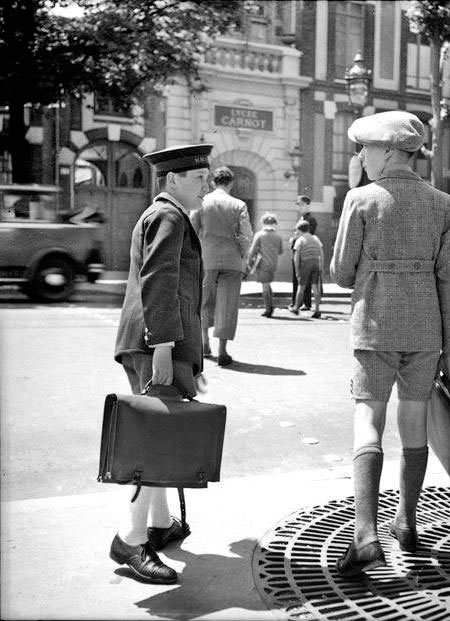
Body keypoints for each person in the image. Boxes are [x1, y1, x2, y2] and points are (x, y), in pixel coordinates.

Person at [330, 111, 450, 577]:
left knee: (368, 421)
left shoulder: (361, 200)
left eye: (364, 149)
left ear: (387, 151)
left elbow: (342, 272)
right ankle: (406, 524)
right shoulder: (443, 204)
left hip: (375, 328)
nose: (360, 157)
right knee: (414, 426)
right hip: (427, 333)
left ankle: (365, 534)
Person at [111, 143, 213, 584]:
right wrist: (166, 347)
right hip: (155, 342)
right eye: (198, 179)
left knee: (161, 434)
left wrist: (190, 353)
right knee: (157, 444)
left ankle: (158, 525)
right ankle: (130, 540)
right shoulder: (169, 216)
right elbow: (160, 283)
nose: (206, 185)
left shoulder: (168, 215)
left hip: (156, 341)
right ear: (173, 180)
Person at [191, 166, 253, 366]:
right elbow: (246, 235)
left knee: (204, 301)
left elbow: (192, 231)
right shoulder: (239, 204)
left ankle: (205, 343)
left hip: (206, 258)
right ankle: (223, 350)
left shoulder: (201, 203)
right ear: (231, 183)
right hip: (232, 260)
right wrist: (242, 254)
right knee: (228, 304)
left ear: (212, 182)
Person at [247, 212, 283, 317]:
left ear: (263, 223)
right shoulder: (278, 236)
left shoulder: (259, 235)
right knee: (268, 285)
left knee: (265, 287)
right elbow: (280, 251)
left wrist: (249, 264)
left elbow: (252, 251)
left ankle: (268, 310)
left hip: (262, 264)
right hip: (273, 264)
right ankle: (271, 305)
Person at [288, 219, 324, 318]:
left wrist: (297, 270)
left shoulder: (300, 240)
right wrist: (321, 266)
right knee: (315, 287)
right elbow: (321, 252)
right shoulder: (315, 238)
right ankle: (317, 309)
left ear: (299, 230)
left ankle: (295, 307)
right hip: (316, 263)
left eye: (297, 230)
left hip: (306, 263)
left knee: (301, 286)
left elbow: (296, 257)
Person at [290, 195, 318, 309]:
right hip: (298, 251)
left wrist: (295, 239)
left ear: (308, 205)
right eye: (298, 204)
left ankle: (305, 303)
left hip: (304, 253)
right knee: (297, 278)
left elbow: (308, 236)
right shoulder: (302, 218)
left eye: (301, 204)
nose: (299, 207)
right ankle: (298, 302)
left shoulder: (310, 219)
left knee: (303, 279)